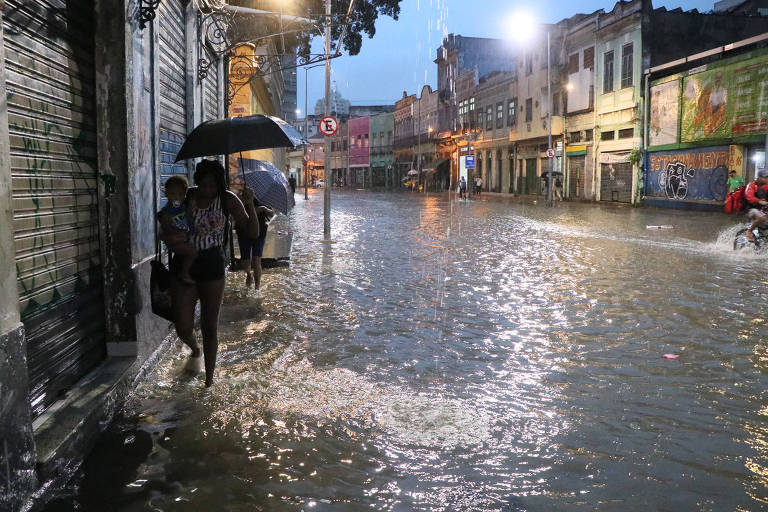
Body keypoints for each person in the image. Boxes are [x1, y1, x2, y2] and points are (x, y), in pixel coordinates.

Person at [162, 160, 260, 387]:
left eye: (213, 186)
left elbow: (252, 233)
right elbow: (169, 216)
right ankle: (195, 350)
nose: (208, 191)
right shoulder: (187, 196)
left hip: (212, 265)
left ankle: (209, 380)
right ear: (197, 182)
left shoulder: (228, 200)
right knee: (182, 324)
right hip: (184, 262)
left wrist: (250, 205)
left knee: (209, 326)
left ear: (220, 185)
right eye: (204, 185)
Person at [157, 176, 197, 285]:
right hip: (175, 241)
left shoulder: (183, 207)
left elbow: (189, 218)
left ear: (185, 195)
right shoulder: (167, 212)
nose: (176, 197)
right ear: (166, 194)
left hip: (185, 238)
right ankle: (185, 273)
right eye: (173, 194)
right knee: (192, 252)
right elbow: (166, 229)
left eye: (180, 194)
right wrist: (176, 233)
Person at [237, 195, 274, 296]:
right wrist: (255, 208)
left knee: (256, 259)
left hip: (260, 231)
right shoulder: (241, 198)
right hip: (243, 230)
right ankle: (249, 274)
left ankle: (257, 287)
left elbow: (272, 213)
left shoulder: (264, 198)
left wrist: (265, 209)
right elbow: (240, 214)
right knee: (245, 259)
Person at [743, 169, 768, 242]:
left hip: (763, 209)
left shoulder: (766, 186)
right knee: (762, 218)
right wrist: (759, 201)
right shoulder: (752, 185)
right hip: (751, 209)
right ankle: (749, 231)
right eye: (765, 177)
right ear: (759, 177)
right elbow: (749, 196)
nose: (767, 179)